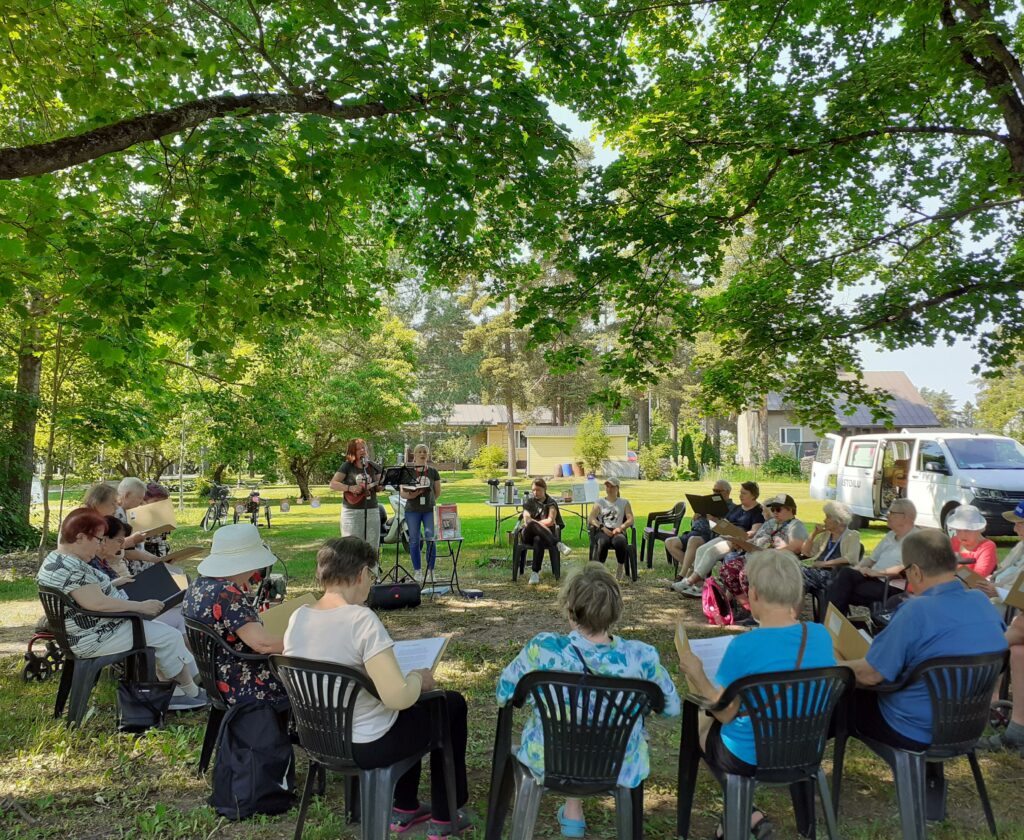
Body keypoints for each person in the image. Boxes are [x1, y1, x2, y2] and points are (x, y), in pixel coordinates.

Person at [284, 537, 471, 838]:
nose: (371, 582)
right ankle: (445, 814)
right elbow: (397, 698)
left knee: (417, 709)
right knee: (449, 704)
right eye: (370, 574)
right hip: (367, 742)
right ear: (360, 574)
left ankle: (406, 806)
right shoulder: (361, 620)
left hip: (319, 737)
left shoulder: (299, 616)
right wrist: (417, 679)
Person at [497, 563, 680, 838]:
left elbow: (504, 693)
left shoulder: (543, 649)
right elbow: (672, 707)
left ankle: (572, 813)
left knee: (573, 730)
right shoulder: (641, 658)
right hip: (616, 762)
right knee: (588, 731)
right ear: (616, 609)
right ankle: (573, 812)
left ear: (570, 610)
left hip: (549, 759)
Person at [677, 550, 835, 839]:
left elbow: (724, 712)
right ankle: (742, 815)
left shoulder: (745, 647)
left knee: (702, 715)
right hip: (805, 748)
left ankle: (741, 811)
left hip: (751, 754)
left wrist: (697, 674)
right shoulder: (821, 635)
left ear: (756, 594)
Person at [841, 528, 1007, 751]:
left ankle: (799, 764)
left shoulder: (917, 610)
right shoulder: (982, 603)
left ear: (916, 572)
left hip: (914, 730)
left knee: (840, 699)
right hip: (968, 728)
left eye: (906, 572)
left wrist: (833, 667)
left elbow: (871, 675)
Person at [36, 507, 206, 711]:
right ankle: (186, 692)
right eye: (98, 539)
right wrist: (140, 606)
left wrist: (114, 584)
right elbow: (97, 604)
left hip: (85, 631)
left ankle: (182, 690)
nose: (99, 545)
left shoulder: (56, 560)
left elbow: (84, 595)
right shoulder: (72, 568)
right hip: (95, 635)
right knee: (169, 636)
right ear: (80, 537)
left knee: (164, 632)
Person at [181, 523, 287, 707]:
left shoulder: (198, 585)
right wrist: (306, 643)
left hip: (216, 677)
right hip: (246, 681)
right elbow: (262, 644)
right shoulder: (227, 593)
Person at [976, 502, 1024, 752]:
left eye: (1019, 523)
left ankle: (969, 671)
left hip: (1008, 611)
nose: (1015, 528)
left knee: (1016, 627)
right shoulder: (1020, 548)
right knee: (1018, 652)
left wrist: (998, 591)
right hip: (1008, 610)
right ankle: (1017, 732)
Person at [718, 494, 808, 621]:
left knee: (746, 573)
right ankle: (748, 608)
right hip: (753, 556)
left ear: (790, 509)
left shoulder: (796, 526)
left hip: (774, 562)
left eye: (778, 509)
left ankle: (759, 613)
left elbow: (796, 547)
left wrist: (772, 552)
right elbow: (755, 540)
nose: (774, 512)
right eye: (773, 509)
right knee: (727, 571)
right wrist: (741, 543)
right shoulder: (770, 523)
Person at [825, 498, 919, 616]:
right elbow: (871, 559)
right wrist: (857, 569)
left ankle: (832, 625)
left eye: (891, 513)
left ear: (904, 516)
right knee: (844, 573)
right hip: (872, 578)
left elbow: (905, 567)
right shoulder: (890, 535)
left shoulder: (916, 539)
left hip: (890, 585)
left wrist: (877, 573)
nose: (887, 516)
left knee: (837, 589)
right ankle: (835, 626)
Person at [672, 482, 765, 597]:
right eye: (740, 493)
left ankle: (689, 582)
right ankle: (699, 587)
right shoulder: (737, 508)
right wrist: (715, 521)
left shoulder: (757, 511)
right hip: (725, 536)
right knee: (701, 549)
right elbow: (725, 524)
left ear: (753, 495)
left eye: (744, 493)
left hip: (739, 542)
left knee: (712, 552)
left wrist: (741, 534)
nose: (740, 495)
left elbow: (754, 531)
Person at [665, 479, 733, 578]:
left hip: (709, 536)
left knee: (693, 540)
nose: (715, 493)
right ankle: (693, 569)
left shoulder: (732, 508)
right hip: (695, 532)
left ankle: (682, 575)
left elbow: (727, 528)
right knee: (670, 542)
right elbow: (693, 524)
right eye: (714, 490)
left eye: (719, 491)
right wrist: (695, 519)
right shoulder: (708, 503)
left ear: (728, 492)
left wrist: (715, 520)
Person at [799, 501, 861, 597]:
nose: (824, 520)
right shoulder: (825, 535)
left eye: (828, 517)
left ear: (839, 520)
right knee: (797, 580)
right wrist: (814, 534)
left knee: (797, 574)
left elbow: (851, 558)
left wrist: (824, 563)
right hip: (816, 572)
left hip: (833, 575)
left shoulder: (852, 535)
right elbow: (805, 552)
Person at [401, 444, 443, 585]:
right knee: (414, 540)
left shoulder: (432, 471)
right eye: (419, 451)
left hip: (429, 510)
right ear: (414, 454)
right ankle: (417, 571)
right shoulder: (408, 471)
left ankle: (431, 571)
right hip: (412, 510)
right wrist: (414, 495)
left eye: (425, 451)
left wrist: (430, 501)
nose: (422, 454)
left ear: (428, 454)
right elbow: (402, 493)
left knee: (430, 538)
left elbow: (437, 491)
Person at [329, 438, 382, 550]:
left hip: (372, 510)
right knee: (352, 547)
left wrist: (381, 485)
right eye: (358, 449)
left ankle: (371, 568)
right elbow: (333, 484)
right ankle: (353, 568)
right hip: (352, 512)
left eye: (363, 448)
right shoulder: (347, 466)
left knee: (372, 547)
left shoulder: (374, 466)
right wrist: (350, 488)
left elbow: (379, 487)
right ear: (352, 452)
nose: (362, 450)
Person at [520, 478, 571, 586]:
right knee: (532, 524)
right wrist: (537, 524)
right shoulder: (529, 502)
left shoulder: (551, 503)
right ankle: (557, 543)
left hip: (544, 536)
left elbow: (551, 520)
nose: (535, 492)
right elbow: (527, 520)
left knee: (538, 539)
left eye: (538, 490)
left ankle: (535, 573)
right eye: (533, 490)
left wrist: (538, 524)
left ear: (545, 489)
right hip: (528, 534)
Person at [588, 477, 635, 580]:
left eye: (612, 486)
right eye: (607, 486)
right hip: (603, 530)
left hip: (617, 530)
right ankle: (601, 570)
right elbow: (591, 518)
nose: (609, 489)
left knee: (620, 542)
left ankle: (620, 568)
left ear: (617, 488)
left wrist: (621, 527)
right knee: (603, 542)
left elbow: (630, 519)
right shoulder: (599, 502)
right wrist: (602, 527)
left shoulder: (624, 502)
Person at [947, 505, 998, 577]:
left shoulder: (987, 547)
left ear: (978, 529)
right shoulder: (954, 541)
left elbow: (978, 576)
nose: (962, 535)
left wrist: (954, 572)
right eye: (958, 530)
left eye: (967, 530)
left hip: (975, 586)